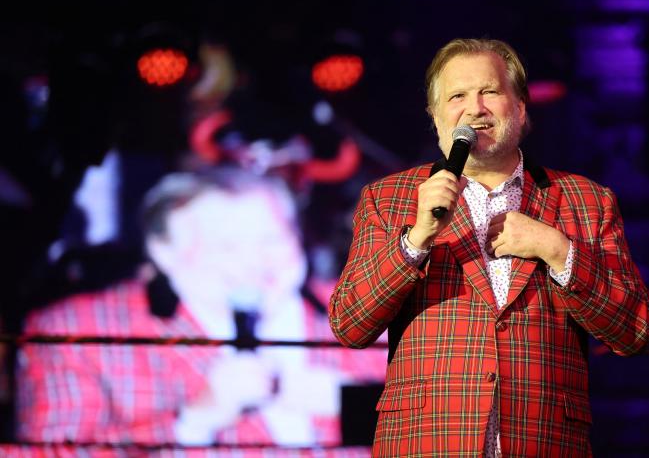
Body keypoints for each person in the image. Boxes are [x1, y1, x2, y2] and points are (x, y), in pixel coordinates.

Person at [329, 38, 649, 457]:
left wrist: (559, 251)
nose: (475, 109)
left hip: (544, 442)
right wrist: (416, 239)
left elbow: (636, 330)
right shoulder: (389, 199)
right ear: (435, 117)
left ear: (520, 107)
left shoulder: (587, 201)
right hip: (425, 442)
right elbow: (349, 325)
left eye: (489, 91)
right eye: (457, 96)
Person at [16, 166, 385, 451]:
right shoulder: (75, 333)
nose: (255, 263)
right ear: (164, 252)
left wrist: (360, 409)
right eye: (226, 246)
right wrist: (193, 422)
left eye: (272, 239)